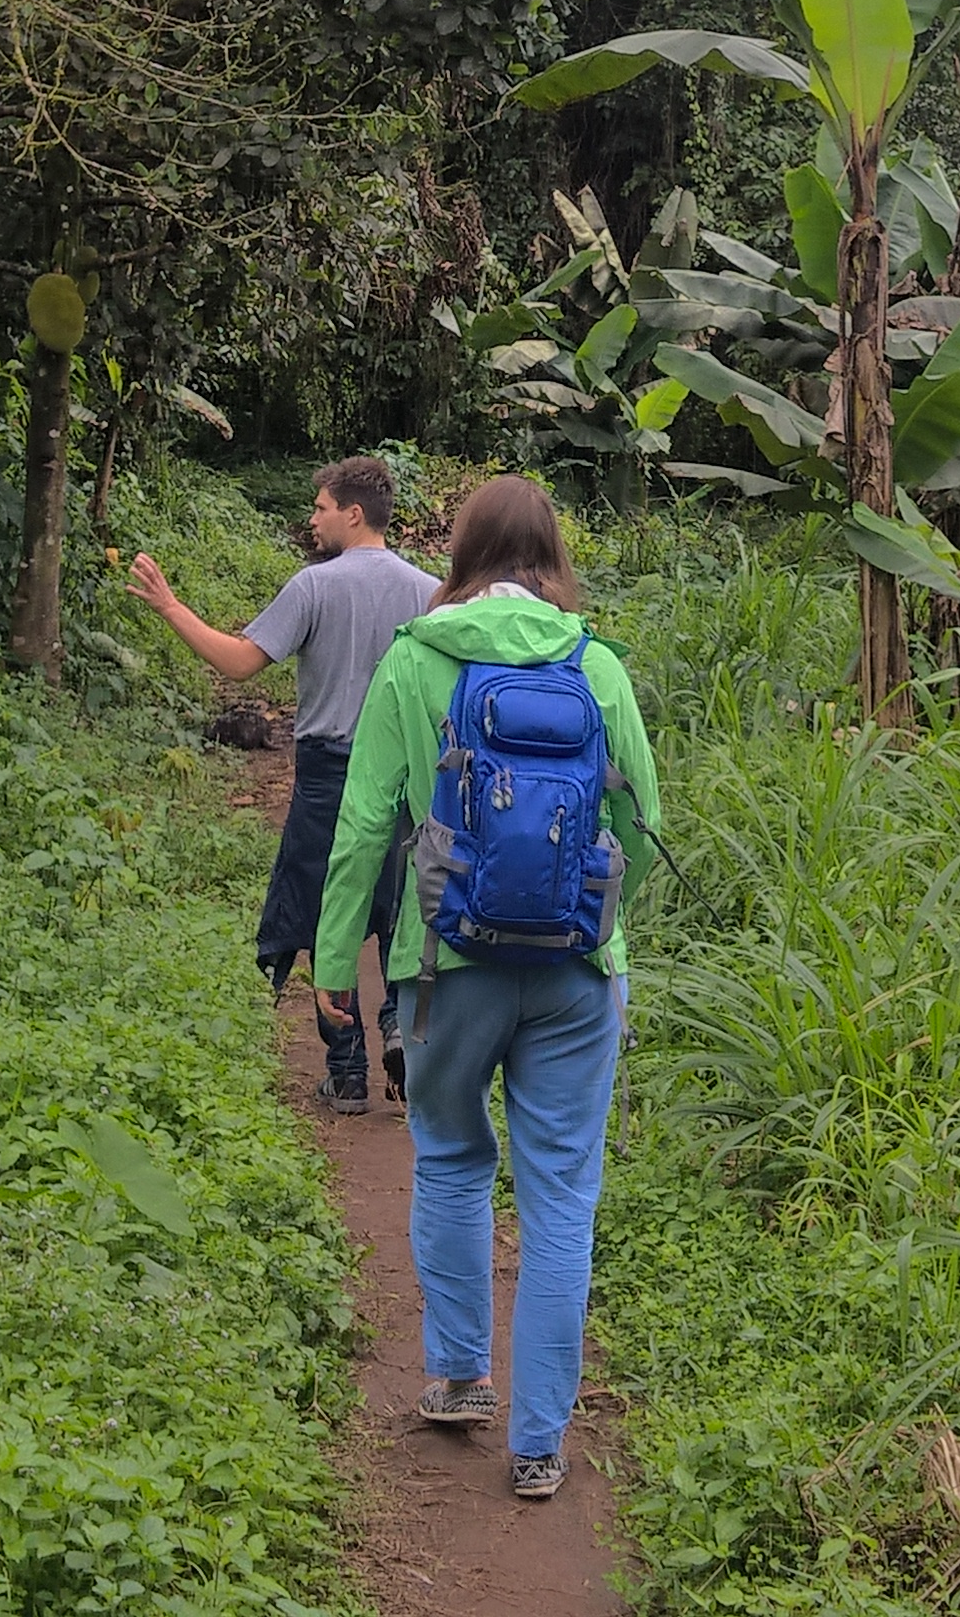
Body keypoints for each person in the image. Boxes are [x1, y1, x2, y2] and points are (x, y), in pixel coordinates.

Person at [311, 476, 661, 1503]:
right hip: (573, 971)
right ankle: (539, 1440)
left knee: (453, 1156)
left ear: (458, 551)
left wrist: (336, 959)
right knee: (561, 1197)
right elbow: (639, 825)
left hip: (440, 963)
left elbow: (363, 823)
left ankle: (460, 1374)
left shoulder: (416, 661)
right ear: (551, 552)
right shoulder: (593, 662)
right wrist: (600, 928)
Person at [126, 455, 437, 1113]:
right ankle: (399, 1028)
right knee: (403, 905)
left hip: (330, 771)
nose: (313, 518)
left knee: (330, 910)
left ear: (353, 513)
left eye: (321, 507)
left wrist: (170, 606)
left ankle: (347, 1070)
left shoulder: (313, 587)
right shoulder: (430, 593)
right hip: (407, 772)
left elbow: (241, 663)